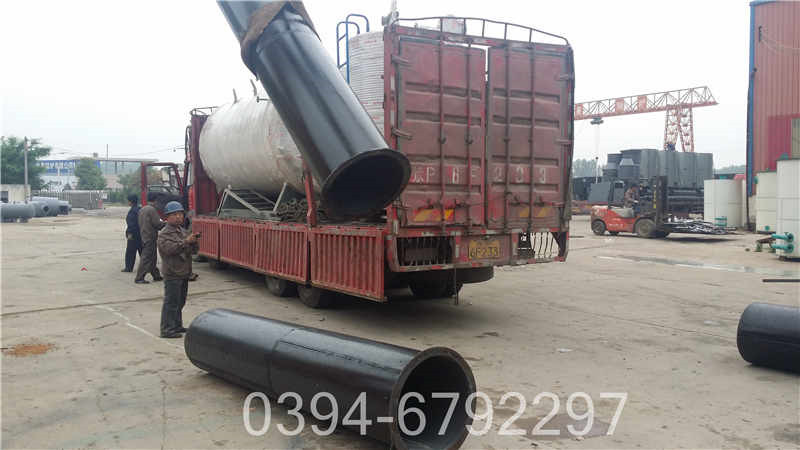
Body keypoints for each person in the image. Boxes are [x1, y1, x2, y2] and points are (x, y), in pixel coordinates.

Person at [157, 201, 200, 338]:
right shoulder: (164, 234)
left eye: (180, 214)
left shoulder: (182, 231)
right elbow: (170, 249)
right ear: (167, 217)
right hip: (172, 272)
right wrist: (186, 241)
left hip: (183, 272)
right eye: (174, 214)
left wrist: (194, 242)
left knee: (180, 301)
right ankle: (167, 329)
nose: (178, 217)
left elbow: (190, 251)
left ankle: (176, 325)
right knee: (171, 303)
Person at [135, 192, 164, 284]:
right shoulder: (152, 210)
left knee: (152, 257)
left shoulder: (142, 209)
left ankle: (156, 275)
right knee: (146, 258)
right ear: (156, 200)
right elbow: (157, 224)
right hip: (150, 237)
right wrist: (166, 223)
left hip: (144, 236)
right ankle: (139, 278)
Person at [122, 194, 142, 272]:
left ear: (130, 202)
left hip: (133, 235)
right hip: (141, 234)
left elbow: (131, 224)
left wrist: (129, 234)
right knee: (142, 252)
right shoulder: (140, 209)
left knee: (130, 252)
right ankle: (147, 267)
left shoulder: (132, 212)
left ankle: (129, 267)